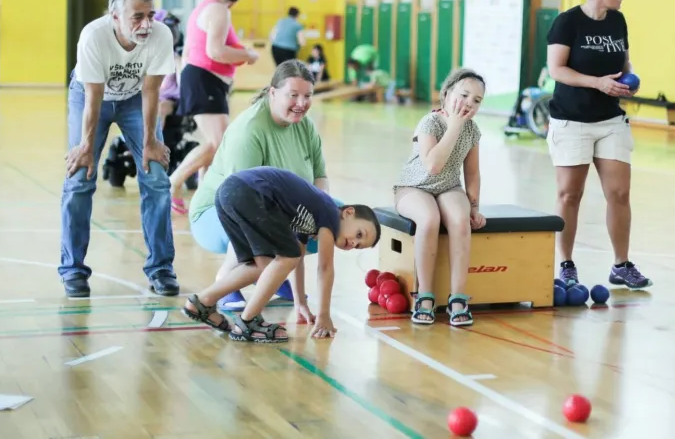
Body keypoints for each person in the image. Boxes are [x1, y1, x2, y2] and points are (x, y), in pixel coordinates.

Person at [60, 0, 178, 298]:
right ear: (114, 16)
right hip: (89, 96)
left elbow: (152, 91)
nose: (146, 24)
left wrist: (151, 142)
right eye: (137, 17)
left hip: (136, 100)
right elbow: (93, 96)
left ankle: (161, 268)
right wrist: (86, 147)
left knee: (156, 178)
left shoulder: (161, 35)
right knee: (79, 177)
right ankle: (73, 270)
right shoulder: (93, 36)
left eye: (150, 15)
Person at [189, 60, 338, 311]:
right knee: (264, 222)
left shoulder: (305, 126)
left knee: (335, 215)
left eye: (308, 96)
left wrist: (322, 210)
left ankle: (270, 273)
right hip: (217, 213)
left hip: (273, 208)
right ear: (273, 93)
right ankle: (227, 280)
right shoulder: (249, 131)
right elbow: (238, 202)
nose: (301, 103)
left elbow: (320, 177)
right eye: (293, 95)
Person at [543, 0, 650, 291]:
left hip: (610, 120)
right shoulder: (567, 22)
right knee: (569, 195)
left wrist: (629, 80)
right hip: (571, 120)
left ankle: (621, 264)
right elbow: (557, 69)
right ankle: (566, 264)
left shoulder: (618, 20)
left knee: (619, 193)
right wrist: (598, 83)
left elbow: (624, 61)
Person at [181, 166, 381, 342]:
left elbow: (297, 258)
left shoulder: (310, 215)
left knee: (261, 266)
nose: (354, 243)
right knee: (284, 258)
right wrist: (323, 316)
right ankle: (248, 322)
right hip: (251, 192)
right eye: (359, 234)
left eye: (358, 246)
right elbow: (325, 268)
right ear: (348, 212)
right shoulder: (330, 213)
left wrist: (300, 302)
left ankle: (202, 302)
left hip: (230, 191)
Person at [392, 69, 487, 326]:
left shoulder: (472, 130)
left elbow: (472, 173)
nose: (469, 103)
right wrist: (454, 126)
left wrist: (474, 207)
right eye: (464, 95)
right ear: (446, 94)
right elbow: (433, 166)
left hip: (448, 187)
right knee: (429, 218)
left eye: (476, 100)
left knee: (460, 220)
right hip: (414, 187)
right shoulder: (430, 122)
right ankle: (424, 296)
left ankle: (458, 298)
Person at [169, 0, 259, 214]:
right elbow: (216, 51)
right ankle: (174, 183)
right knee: (219, 143)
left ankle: (204, 196)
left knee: (215, 143)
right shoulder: (219, 10)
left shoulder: (205, 7)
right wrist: (248, 54)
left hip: (204, 80)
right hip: (203, 79)